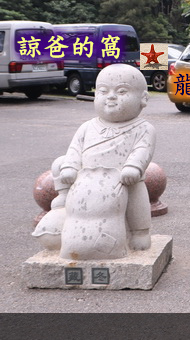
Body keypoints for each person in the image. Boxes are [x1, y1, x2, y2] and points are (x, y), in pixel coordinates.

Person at [35, 64, 155, 259]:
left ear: (143, 99)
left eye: (122, 91)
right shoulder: (88, 126)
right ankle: (65, 197)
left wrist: (133, 167)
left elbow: (143, 151)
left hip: (123, 177)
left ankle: (139, 231)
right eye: (103, 91)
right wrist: (70, 167)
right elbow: (75, 149)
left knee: (137, 190)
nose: (111, 96)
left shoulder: (143, 128)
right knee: (60, 162)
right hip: (85, 179)